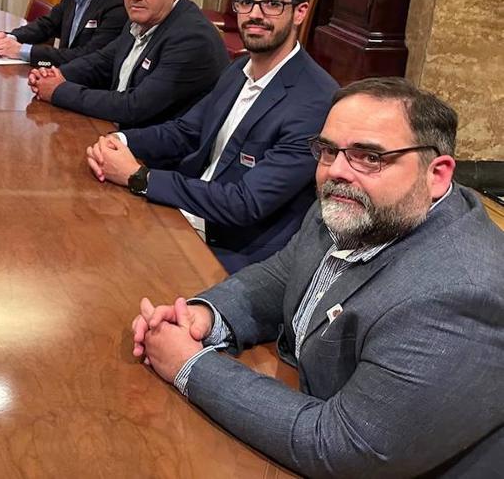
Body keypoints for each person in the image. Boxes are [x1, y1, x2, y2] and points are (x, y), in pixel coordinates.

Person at [131, 77, 504, 476]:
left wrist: (190, 365)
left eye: (369, 157)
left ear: (437, 174)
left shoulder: (459, 294)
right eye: (328, 150)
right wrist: (206, 315)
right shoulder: (365, 203)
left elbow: (345, 447)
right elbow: (285, 272)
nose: (336, 171)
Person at [86, 0, 338, 271]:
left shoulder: (314, 101)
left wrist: (139, 177)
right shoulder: (237, 70)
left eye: (272, 4)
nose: (255, 15)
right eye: (246, 2)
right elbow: (185, 131)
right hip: (183, 215)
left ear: (299, 12)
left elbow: (246, 203)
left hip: (233, 252)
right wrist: (117, 141)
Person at [30, 0, 228, 128]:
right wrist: (56, 75)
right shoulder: (143, 15)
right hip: (115, 132)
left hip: (155, 153)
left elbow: (134, 106)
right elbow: (102, 61)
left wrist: (59, 90)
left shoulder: (192, 38)